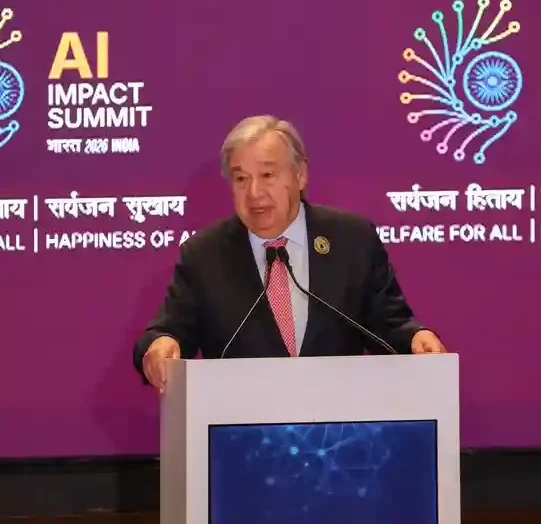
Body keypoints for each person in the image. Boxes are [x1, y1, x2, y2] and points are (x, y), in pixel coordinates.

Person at [133, 115, 446, 394]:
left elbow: (389, 324)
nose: (254, 193)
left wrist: (415, 339)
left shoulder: (352, 240)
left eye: (268, 175)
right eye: (241, 179)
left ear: (300, 175)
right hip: (242, 429)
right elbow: (168, 331)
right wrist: (161, 345)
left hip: (339, 426)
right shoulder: (205, 255)